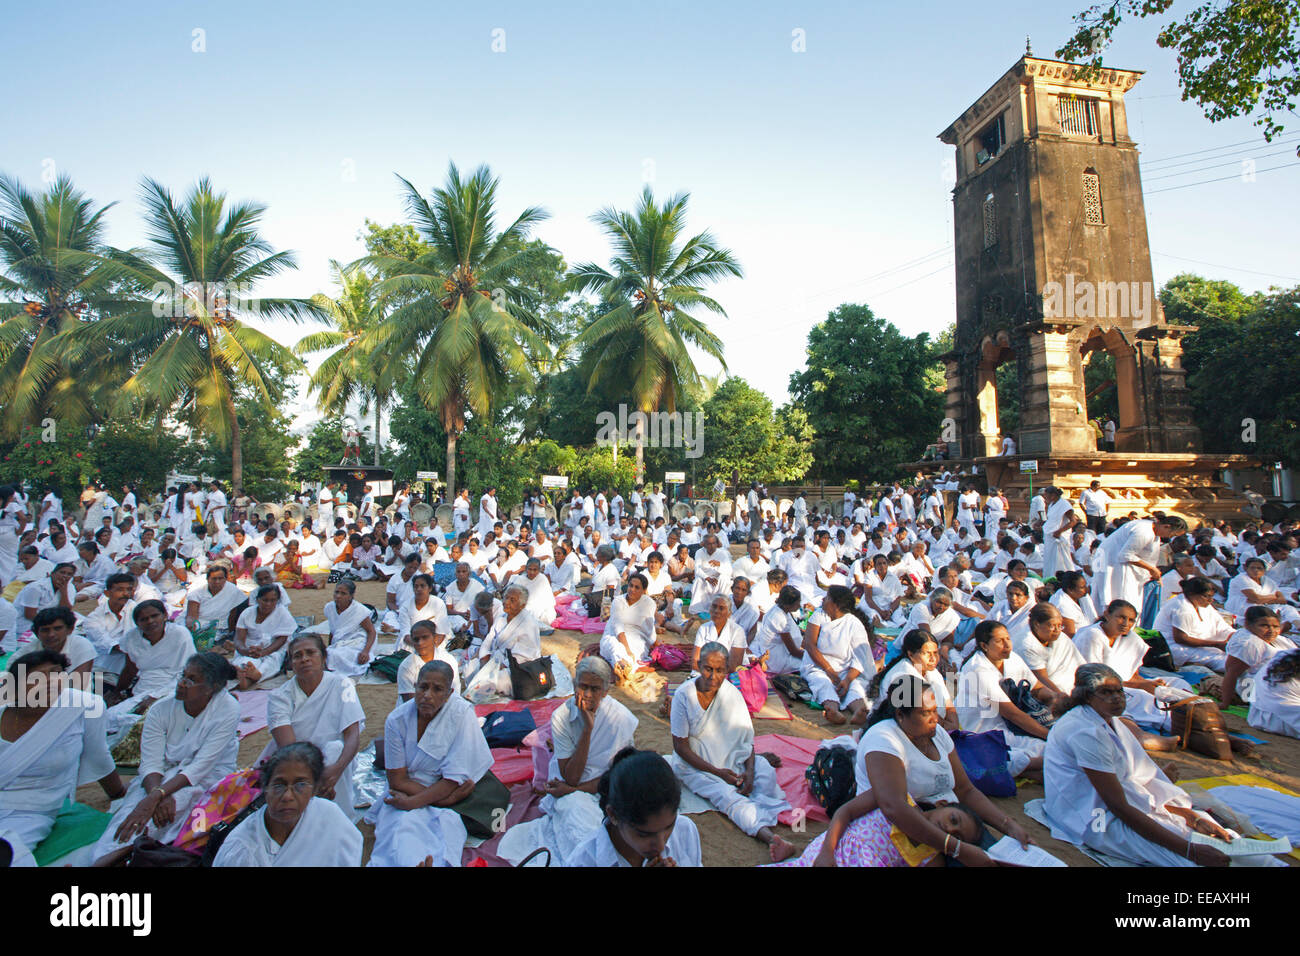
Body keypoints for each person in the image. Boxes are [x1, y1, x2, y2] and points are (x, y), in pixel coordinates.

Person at [1043, 663, 1232, 867]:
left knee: (1225, 842)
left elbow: (1140, 781)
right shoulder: (1084, 731)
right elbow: (1118, 806)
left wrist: (1192, 817)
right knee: (1192, 862)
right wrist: (1190, 851)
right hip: (1095, 818)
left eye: (1119, 691)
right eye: (1105, 692)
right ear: (1087, 697)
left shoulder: (1112, 722)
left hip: (1128, 806)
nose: (1116, 697)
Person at [854, 675, 1031, 865]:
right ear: (900, 715)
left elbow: (966, 790)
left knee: (1012, 858)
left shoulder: (937, 735)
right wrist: (957, 849)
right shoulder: (884, 739)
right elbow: (894, 807)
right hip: (906, 832)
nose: (935, 718)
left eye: (935, 710)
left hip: (952, 821)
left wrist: (1009, 825)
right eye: (926, 713)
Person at [90, 653, 240, 862]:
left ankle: (116, 856)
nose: (182, 683)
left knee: (164, 813)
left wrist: (156, 797)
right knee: (131, 814)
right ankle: (106, 857)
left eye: (192, 680)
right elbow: (150, 763)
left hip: (208, 775)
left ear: (211, 688)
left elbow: (201, 766)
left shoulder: (228, 709)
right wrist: (156, 795)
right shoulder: (160, 709)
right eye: (183, 675)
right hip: (158, 779)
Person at [498, 657, 639, 865]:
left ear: (606, 692)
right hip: (571, 792)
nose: (588, 695)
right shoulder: (561, 717)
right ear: (574, 686)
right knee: (578, 819)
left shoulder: (620, 719)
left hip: (606, 789)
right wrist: (587, 730)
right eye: (583, 687)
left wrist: (573, 790)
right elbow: (571, 777)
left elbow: (619, 775)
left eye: (595, 689)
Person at [669, 641, 795, 861]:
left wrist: (750, 772)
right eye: (708, 669)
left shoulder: (732, 694)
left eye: (720, 671)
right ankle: (771, 838)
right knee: (727, 796)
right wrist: (719, 773)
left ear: (727, 670)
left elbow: (746, 740)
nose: (713, 677)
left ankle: (753, 796)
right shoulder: (683, 696)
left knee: (764, 775)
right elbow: (680, 747)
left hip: (730, 761)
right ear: (698, 665)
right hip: (696, 766)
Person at [370, 660, 501, 867]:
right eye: (423, 687)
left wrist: (419, 802)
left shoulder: (460, 714)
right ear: (415, 687)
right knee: (399, 830)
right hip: (411, 791)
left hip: (442, 792)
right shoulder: (397, 720)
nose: (427, 695)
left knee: (445, 832)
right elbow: (397, 780)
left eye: (437, 689)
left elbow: (452, 780)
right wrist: (442, 800)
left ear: (449, 694)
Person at [0, 650, 126, 857]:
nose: (50, 682)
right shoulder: (3, 710)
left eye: (55, 674)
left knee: (6, 851)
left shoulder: (84, 706)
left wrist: (118, 793)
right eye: (36, 678)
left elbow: (98, 756)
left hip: (32, 809)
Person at [262, 634, 365, 821]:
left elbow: (352, 735)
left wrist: (335, 771)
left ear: (324, 658)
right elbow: (289, 748)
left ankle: (340, 823)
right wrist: (312, 780)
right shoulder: (279, 696)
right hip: (293, 764)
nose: (305, 659)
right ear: (291, 663)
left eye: (311, 653)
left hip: (336, 763)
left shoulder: (342, 685)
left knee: (336, 749)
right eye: (297, 655)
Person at [212, 742, 362, 866]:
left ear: (315, 789)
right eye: (279, 786)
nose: (287, 796)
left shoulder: (329, 816)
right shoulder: (243, 851)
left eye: (300, 785)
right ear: (265, 788)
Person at [566, 747, 703, 867]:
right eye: (644, 834)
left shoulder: (685, 830)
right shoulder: (584, 861)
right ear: (613, 815)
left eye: (669, 827)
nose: (661, 846)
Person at [955, 621, 1051, 777]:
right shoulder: (977, 669)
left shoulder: (1012, 658)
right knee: (1047, 750)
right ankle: (1030, 770)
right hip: (984, 730)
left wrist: (1057, 698)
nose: (1007, 644)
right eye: (1000, 641)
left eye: (1008, 638)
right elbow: (1012, 714)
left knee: (1048, 747)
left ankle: (1033, 770)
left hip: (1009, 726)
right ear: (984, 646)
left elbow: (1037, 687)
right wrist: (1050, 735)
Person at [802, 585, 874, 725]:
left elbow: (860, 658)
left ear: (836, 605)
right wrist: (829, 670)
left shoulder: (854, 624)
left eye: (827, 597)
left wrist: (846, 680)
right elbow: (810, 645)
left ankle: (859, 711)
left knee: (856, 686)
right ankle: (833, 710)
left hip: (846, 670)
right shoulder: (819, 615)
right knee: (822, 683)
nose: (824, 599)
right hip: (818, 666)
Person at [1095, 514, 1187, 610]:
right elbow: (1125, 555)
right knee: (1121, 603)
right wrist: (1151, 569)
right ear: (1166, 526)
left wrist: (1154, 573)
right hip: (1116, 567)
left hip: (1124, 567)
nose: (1170, 537)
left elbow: (1148, 558)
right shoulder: (1143, 532)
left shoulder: (1152, 531)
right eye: (1172, 534)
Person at [874, 631, 956, 731]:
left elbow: (949, 706)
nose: (933, 659)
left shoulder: (931, 671)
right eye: (927, 654)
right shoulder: (904, 676)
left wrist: (953, 726)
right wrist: (948, 728)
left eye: (936, 653)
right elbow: (924, 715)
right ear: (911, 654)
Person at [1221, 606, 1295, 710]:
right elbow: (1231, 674)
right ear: (1247, 625)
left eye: (1275, 626)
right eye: (1264, 626)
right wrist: (1225, 704)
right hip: (1255, 691)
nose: (1272, 631)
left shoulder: (1281, 641)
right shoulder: (1247, 643)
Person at [1154, 577, 1234, 670]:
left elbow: (1221, 626)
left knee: (1236, 653)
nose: (1210, 600)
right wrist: (1216, 644)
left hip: (1203, 644)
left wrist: (1234, 635)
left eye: (1211, 596)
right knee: (1224, 662)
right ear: (1192, 594)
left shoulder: (1204, 605)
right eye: (1206, 596)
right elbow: (1181, 638)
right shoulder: (1182, 607)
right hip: (1176, 648)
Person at [1015, 602, 1088, 696]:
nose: (1057, 630)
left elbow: (1079, 664)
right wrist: (1063, 697)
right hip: (1047, 694)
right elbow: (1041, 679)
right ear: (1037, 624)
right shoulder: (1026, 644)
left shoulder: (1061, 637)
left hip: (1074, 688)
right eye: (1052, 626)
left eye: (1060, 625)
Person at [232, 585, 297, 689]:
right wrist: (246, 650)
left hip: (273, 649)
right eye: (265, 600)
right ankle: (247, 675)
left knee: (272, 661)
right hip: (249, 649)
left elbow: (281, 640)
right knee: (244, 661)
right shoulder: (247, 613)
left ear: (277, 600)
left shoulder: (283, 613)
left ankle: (256, 675)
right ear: (257, 599)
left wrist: (263, 652)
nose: (268, 604)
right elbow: (239, 638)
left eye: (273, 600)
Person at [320, 580, 378, 678]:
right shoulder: (329, 608)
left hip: (357, 642)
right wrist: (330, 645)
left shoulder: (359, 610)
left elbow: (371, 631)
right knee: (327, 653)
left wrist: (365, 651)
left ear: (351, 596)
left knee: (333, 655)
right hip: (339, 643)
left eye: (343, 593)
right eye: (336, 592)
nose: (338, 596)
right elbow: (334, 629)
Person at [600, 572, 657, 670]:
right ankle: (622, 665)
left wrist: (655, 644)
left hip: (637, 637)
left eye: (637, 587)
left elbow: (649, 627)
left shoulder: (649, 603)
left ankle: (625, 667)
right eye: (630, 586)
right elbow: (618, 628)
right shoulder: (618, 601)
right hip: (614, 634)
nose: (632, 590)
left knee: (634, 653)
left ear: (644, 590)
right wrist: (626, 648)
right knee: (614, 645)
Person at [397, 620, 460, 700]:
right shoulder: (406, 666)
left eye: (425, 637)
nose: (420, 643)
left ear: (435, 638)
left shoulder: (449, 660)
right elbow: (410, 701)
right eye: (416, 639)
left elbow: (455, 693)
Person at [749, 585, 805, 675]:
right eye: (797, 603)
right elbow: (793, 651)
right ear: (788, 605)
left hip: (772, 650)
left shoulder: (778, 609)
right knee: (809, 664)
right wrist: (810, 656)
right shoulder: (780, 618)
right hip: (775, 660)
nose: (799, 606)